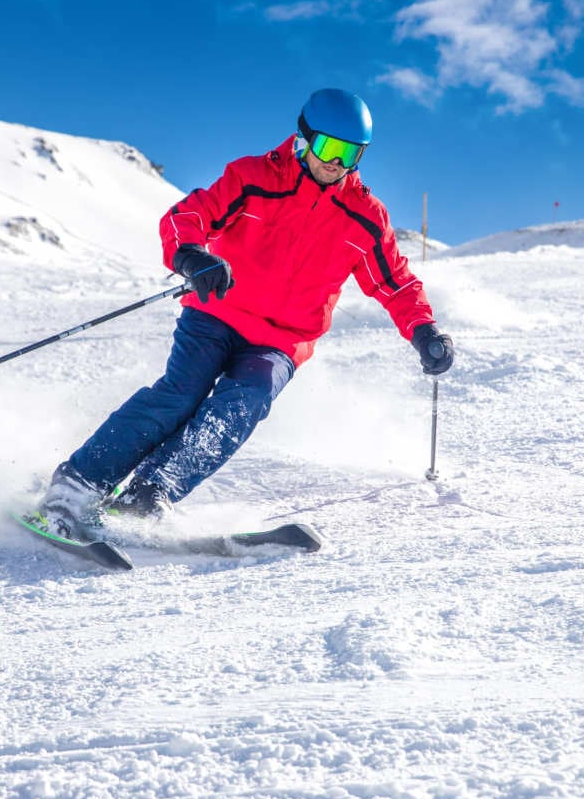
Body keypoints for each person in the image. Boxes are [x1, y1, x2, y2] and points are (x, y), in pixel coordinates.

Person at [41, 88, 454, 536]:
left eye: (351, 153)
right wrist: (192, 257)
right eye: (329, 148)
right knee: (180, 395)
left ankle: (150, 493)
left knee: (246, 400)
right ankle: (78, 483)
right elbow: (189, 215)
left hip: (281, 341)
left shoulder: (364, 216)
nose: (337, 163)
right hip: (216, 314)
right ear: (305, 137)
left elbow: (395, 282)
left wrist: (424, 330)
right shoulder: (254, 177)